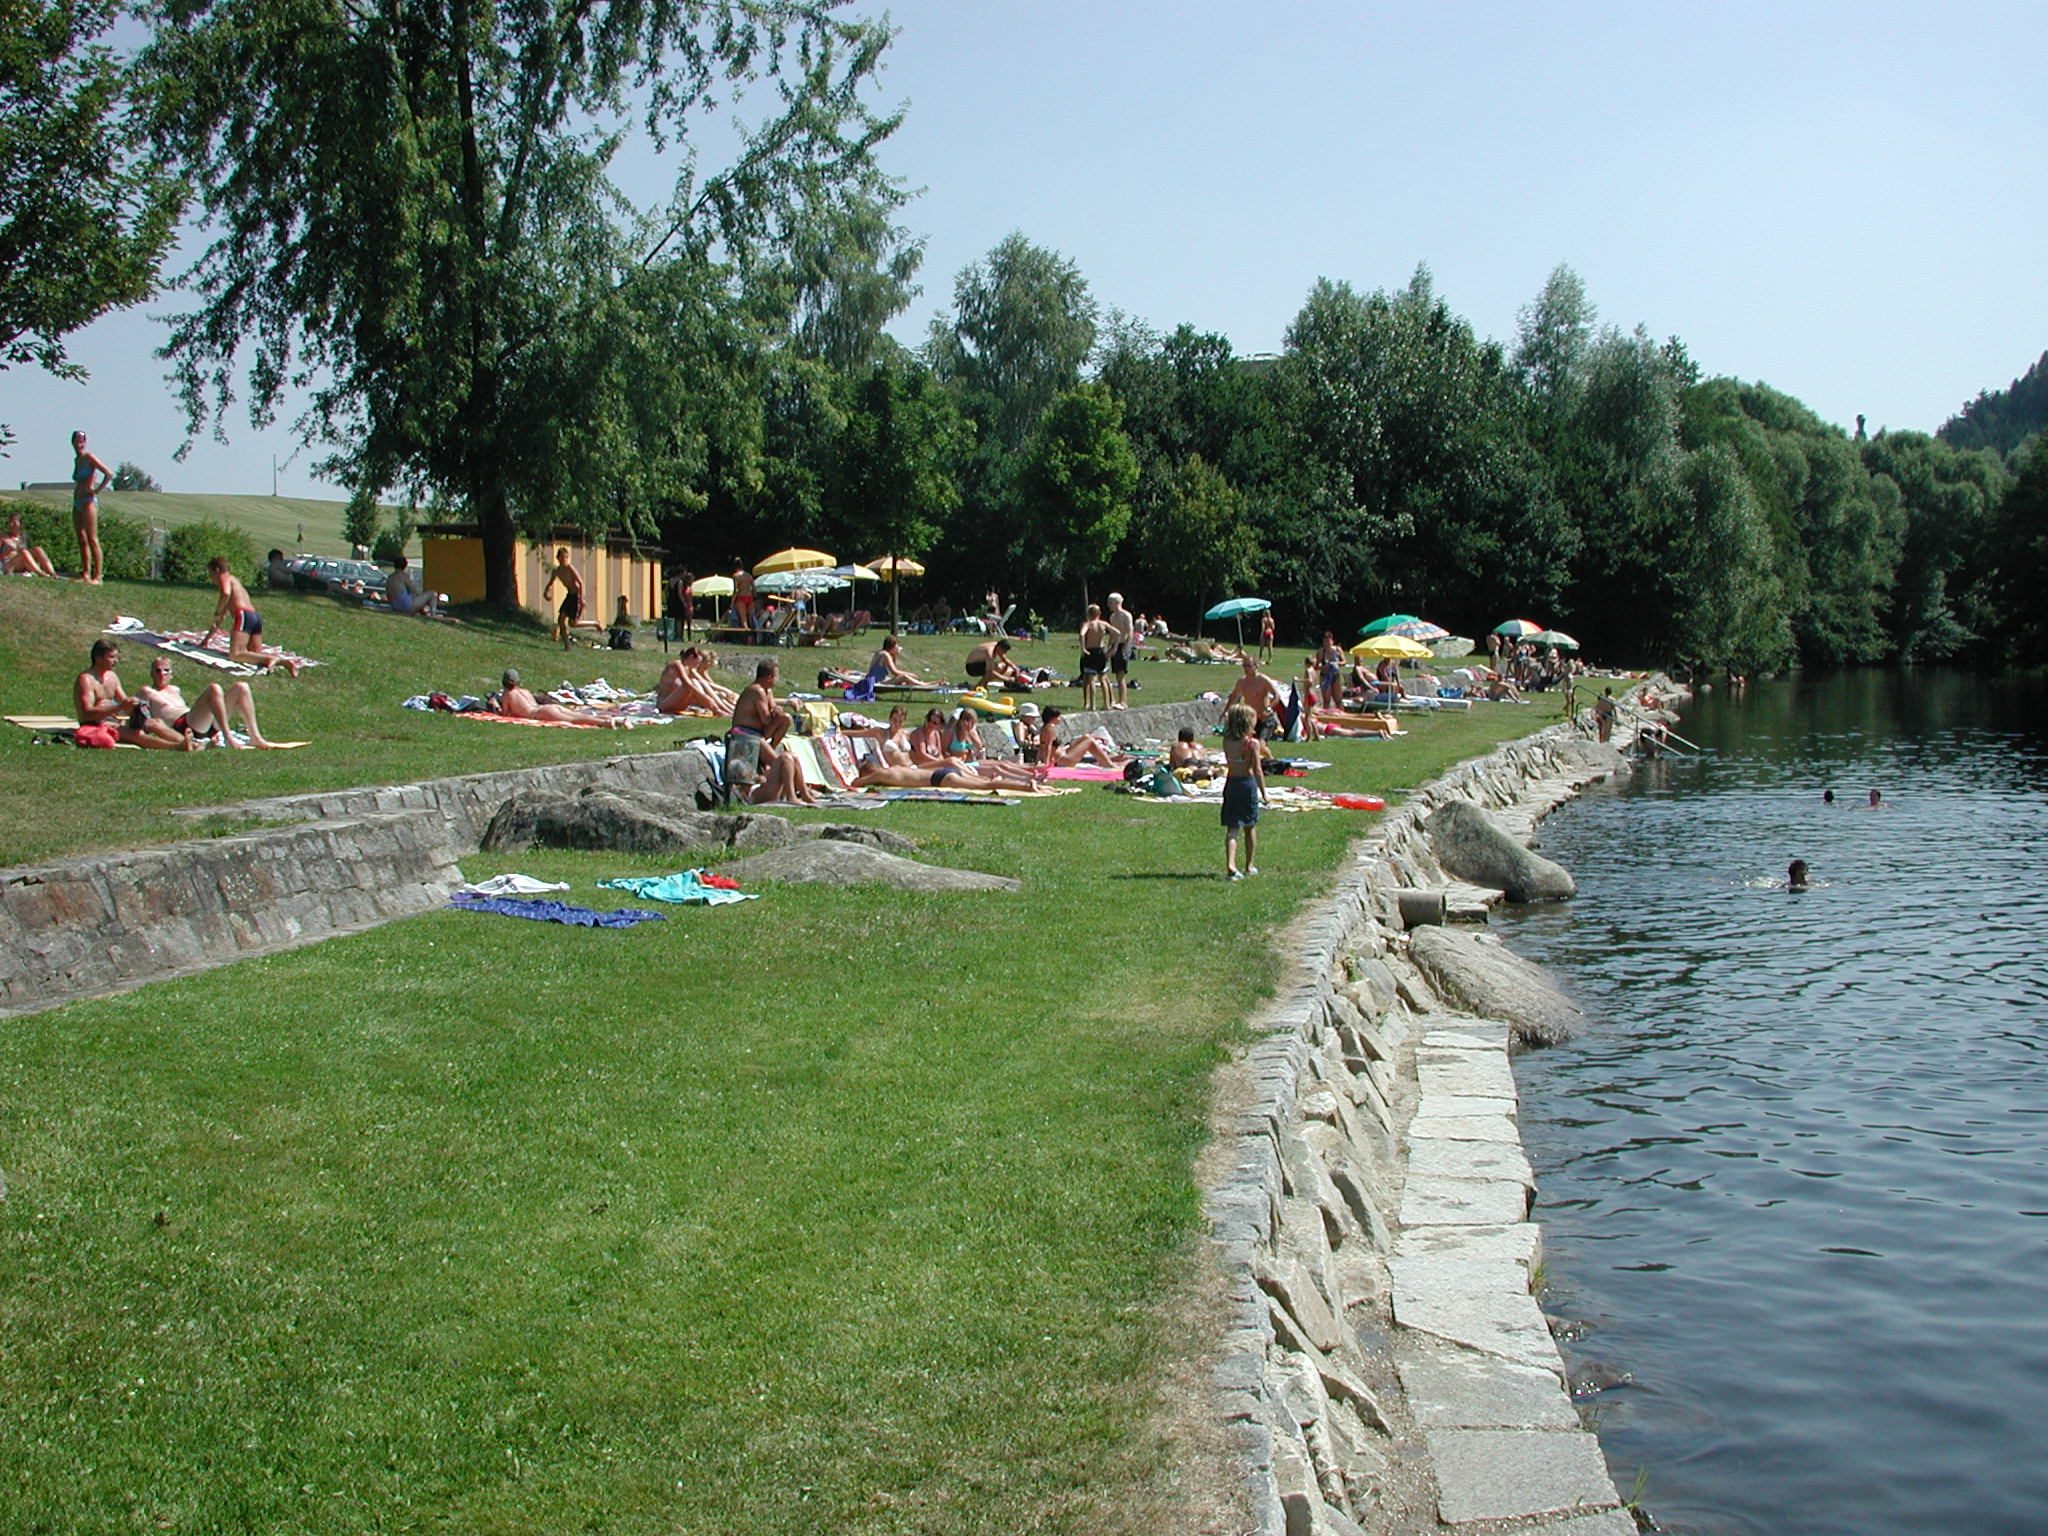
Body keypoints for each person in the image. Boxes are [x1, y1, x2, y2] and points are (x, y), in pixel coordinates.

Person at [136, 656, 283, 748]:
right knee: (214, 688)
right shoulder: (147, 691)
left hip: (202, 723)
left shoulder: (175, 689)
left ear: (172, 675)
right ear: (151, 673)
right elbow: (134, 711)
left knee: (241, 687)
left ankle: (255, 737)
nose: (162, 674)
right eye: (158, 671)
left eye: (166, 670)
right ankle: (227, 737)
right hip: (183, 727)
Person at [732, 659, 818, 803]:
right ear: (769, 677)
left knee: (786, 719)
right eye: (776, 676)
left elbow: (773, 712)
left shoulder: (767, 691)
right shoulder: (756, 690)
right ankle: (795, 794)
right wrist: (775, 711)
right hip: (745, 733)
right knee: (783, 759)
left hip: (758, 734)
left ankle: (804, 793)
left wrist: (778, 711)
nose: (777, 680)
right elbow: (766, 719)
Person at [75, 639, 187, 747]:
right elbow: (87, 714)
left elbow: (124, 703)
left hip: (115, 720)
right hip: (95, 724)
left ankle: (186, 741)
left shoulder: (112, 676)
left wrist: (137, 709)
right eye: (111, 657)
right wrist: (120, 707)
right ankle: (176, 746)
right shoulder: (86, 680)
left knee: (155, 722)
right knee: (136, 735)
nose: (116, 661)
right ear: (98, 658)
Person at [203, 556, 302, 675]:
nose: (211, 578)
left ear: (217, 570)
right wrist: (206, 640)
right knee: (253, 655)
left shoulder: (226, 578)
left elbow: (225, 593)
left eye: (211, 574)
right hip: (254, 617)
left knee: (235, 655)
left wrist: (218, 609)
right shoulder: (236, 584)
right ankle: (283, 662)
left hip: (243, 615)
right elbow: (219, 620)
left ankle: (270, 659)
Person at [1220, 701, 1269, 881]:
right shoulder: (1252, 743)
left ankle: (1231, 865)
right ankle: (1249, 865)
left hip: (1231, 783)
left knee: (1232, 827)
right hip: (1246, 785)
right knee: (1250, 825)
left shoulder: (1227, 741)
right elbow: (1257, 769)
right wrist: (1264, 793)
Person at [498, 668, 623, 728]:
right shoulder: (524, 691)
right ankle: (617, 720)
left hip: (538, 713)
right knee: (576, 715)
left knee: (574, 720)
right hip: (547, 707)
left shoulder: (507, 695)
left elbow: (505, 714)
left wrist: (495, 706)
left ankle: (606, 722)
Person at [70, 429, 111, 584]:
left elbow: (108, 473)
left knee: (93, 538)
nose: (79, 443)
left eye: (82, 440)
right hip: (77, 501)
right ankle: (85, 573)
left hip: (88, 501)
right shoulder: (77, 460)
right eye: (77, 440)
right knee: (81, 538)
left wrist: (97, 490)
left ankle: (98, 576)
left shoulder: (89, 457)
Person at [1034, 704, 1130, 769]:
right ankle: (1109, 764)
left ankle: (1107, 759)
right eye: (1058, 717)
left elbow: (1042, 747)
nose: (1060, 719)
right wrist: (1046, 764)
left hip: (1062, 755)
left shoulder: (1045, 728)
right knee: (1090, 741)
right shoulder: (1050, 728)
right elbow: (1048, 746)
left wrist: (1038, 760)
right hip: (1064, 760)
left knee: (1086, 737)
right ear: (1053, 718)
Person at [657, 647, 738, 716]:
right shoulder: (677, 664)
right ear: (691, 657)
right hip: (664, 704)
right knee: (693, 682)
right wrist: (706, 698)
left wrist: (725, 691)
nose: (698, 665)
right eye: (697, 662)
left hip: (679, 704)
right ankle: (717, 709)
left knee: (697, 683)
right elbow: (688, 684)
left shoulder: (689, 668)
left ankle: (725, 709)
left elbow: (705, 683)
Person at [1225, 654, 1286, 739]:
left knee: (1261, 745)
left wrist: (1269, 708)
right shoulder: (1241, 682)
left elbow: (1276, 695)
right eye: (1244, 666)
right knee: (1250, 745)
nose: (1246, 669)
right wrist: (1226, 711)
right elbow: (1234, 697)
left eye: (1249, 666)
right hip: (1251, 719)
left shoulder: (1263, 680)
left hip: (1265, 718)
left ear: (1256, 666)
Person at [541, 547, 584, 649]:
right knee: (561, 620)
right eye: (563, 557)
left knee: (573, 623)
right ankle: (567, 644)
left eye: (566, 557)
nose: (565, 559)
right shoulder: (557, 571)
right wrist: (546, 592)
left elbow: (581, 582)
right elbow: (550, 583)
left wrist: (581, 599)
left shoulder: (570, 568)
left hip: (576, 595)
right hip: (570, 595)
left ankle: (595, 624)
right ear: (558, 558)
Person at [1078, 603, 1113, 712]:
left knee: (1091, 679)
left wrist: (1083, 647)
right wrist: (1112, 647)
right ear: (1099, 613)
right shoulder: (1103, 624)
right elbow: (1117, 633)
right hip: (1101, 651)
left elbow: (1082, 634)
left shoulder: (1088, 624)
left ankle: (1092, 705)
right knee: (1103, 678)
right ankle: (1107, 704)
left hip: (1090, 652)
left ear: (1089, 614)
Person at [2, 510, 58, 576]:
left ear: (20, 525)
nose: (11, 525)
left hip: (22, 563)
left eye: (14, 523)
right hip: (8, 564)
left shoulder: (23, 537)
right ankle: (41, 574)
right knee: (23, 551)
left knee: (38, 549)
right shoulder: (3, 537)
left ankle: (52, 573)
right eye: (10, 522)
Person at [963, 636, 1029, 690]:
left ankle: (982, 685)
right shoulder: (989, 652)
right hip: (972, 667)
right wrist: (1006, 679)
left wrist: (1016, 668)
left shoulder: (997, 646)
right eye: (1004, 651)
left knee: (1003, 666)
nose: (1004, 653)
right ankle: (979, 686)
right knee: (996, 668)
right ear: (999, 648)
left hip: (980, 664)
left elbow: (1004, 659)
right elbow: (990, 671)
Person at [1105, 592, 1136, 708]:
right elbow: (1112, 634)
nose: (1108, 605)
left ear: (1117, 602)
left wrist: (1125, 648)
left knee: (1121, 675)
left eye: (1110, 602)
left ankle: (1123, 701)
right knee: (1115, 673)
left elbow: (1130, 632)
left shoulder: (1126, 615)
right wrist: (1109, 647)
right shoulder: (1112, 617)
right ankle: (1116, 700)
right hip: (1115, 645)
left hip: (1123, 645)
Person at [1317, 632, 1345, 711]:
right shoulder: (1321, 652)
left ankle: (1341, 715)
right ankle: (1326, 717)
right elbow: (1317, 665)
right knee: (1326, 700)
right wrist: (1323, 666)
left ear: (1332, 641)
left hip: (1335, 675)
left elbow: (1344, 661)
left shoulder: (1337, 650)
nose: (1327, 644)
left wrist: (1336, 663)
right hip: (1325, 676)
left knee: (1338, 700)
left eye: (1328, 641)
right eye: (1325, 642)